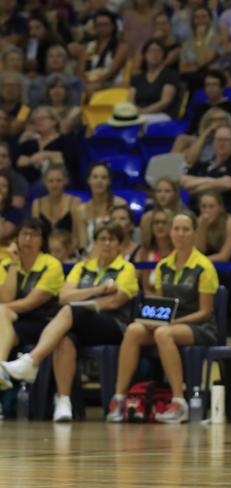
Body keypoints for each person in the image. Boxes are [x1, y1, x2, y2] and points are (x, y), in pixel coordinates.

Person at [1, 222, 138, 421]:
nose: (107, 244)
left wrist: (82, 299)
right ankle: (64, 401)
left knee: (70, 311)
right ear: (95, 243)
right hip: (79, 321)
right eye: (102, 239)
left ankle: (32, 360)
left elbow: (115, 302)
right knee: (64, 339)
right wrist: (97, 290)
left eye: (112, 240)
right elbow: (65, 295)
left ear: (119, 244)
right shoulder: (82, 268)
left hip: (113, 325)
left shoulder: (126, 268)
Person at [105, 211, 219, 424]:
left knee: (164, 333)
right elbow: (162, 303)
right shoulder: (162, 265)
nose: (180, 234)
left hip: (199, 326)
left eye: (186, 229)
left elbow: (205, 312)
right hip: (168, 323)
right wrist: (150, 318)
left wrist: (169, 323)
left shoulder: (204, 267)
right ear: (170, 233)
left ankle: (179, 402)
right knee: (133, 330)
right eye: (176, 229)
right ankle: (119, 398)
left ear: (194, 233)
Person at [0, 218, 64, 390]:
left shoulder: (51, 265)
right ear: (17, 238)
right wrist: (14, 264)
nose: (28, 239)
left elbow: (30, 303)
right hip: (12, 321)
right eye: (24, 234)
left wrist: (2, 309)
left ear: (42, 240)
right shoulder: (6, 264)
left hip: (42, 322)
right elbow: (6, 298)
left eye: (34, 235)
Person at [180, 125, 231, 216]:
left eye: (226, 140)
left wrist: (196, 186)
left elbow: (226, 184)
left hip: (225, 214)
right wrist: (209, 180)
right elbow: (184, 181)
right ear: (213, 142)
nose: (222, 143)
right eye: (219, 139)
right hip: (195, 213)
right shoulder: (203, 164)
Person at [16, 106, 81, 186]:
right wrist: (32, 160)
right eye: (35, 120)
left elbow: (70, 160)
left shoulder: (66, 141)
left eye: (42, 118)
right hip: (29, 182)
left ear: (54, 121)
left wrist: (46, 155)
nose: (38, 122)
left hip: (59, 181)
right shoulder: (29, 143)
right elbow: (19, 161)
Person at [75, 162, 127, 253]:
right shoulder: (81, 210)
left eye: (103, 177)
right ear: (88, 180)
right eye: (95, 177)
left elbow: (124, 239)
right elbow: (82, 244)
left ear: (109, 181)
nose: (99, 181)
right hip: (90, 257)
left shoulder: (119, 204)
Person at [129, 39, 180, 121]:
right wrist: (135, 111)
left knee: (138, 122)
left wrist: (144, 111)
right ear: (145, 54)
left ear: (164, 55)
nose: (154, 54)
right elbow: (131, 101)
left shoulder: (170, 74)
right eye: (151, 51)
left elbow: (165, 101)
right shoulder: (137, 78)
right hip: (139, 114)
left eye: (158, 51)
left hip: (163, 114)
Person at [31, 164, 80, 247]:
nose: (55, 185)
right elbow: (35, 235)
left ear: (65, 181)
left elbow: (77, 236)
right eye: (51, 181)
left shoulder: (74, 202)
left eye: (59, 181)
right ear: (45, 182)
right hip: (43, 254)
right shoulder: (37, 204)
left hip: (68, 254)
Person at [196, 190, 231, 262]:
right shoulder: (200, 221)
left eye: (211, 206)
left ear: (220, 208)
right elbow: (200, 251)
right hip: (215, 256)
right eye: (203, 206)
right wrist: (203, 227)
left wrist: (199, 261)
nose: (207, 210)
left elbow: (224, 256)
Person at [139, 177, 185, 250]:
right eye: (159, 191)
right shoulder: (147, 218)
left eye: (167, 191)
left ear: (176, 194)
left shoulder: (184, 217)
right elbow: (145, 245)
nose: (162, 195)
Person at [135, 208, 173, 295]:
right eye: (156, 222)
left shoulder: (179, 252)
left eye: (164, 222)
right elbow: (146, 289)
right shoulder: (144, 253)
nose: (160, 226)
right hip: (152, 302)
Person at [0, 141, 28, 208]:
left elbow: (18, 205)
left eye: (4, 156)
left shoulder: (19, 180)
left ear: (10, 160)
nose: (0, 159)